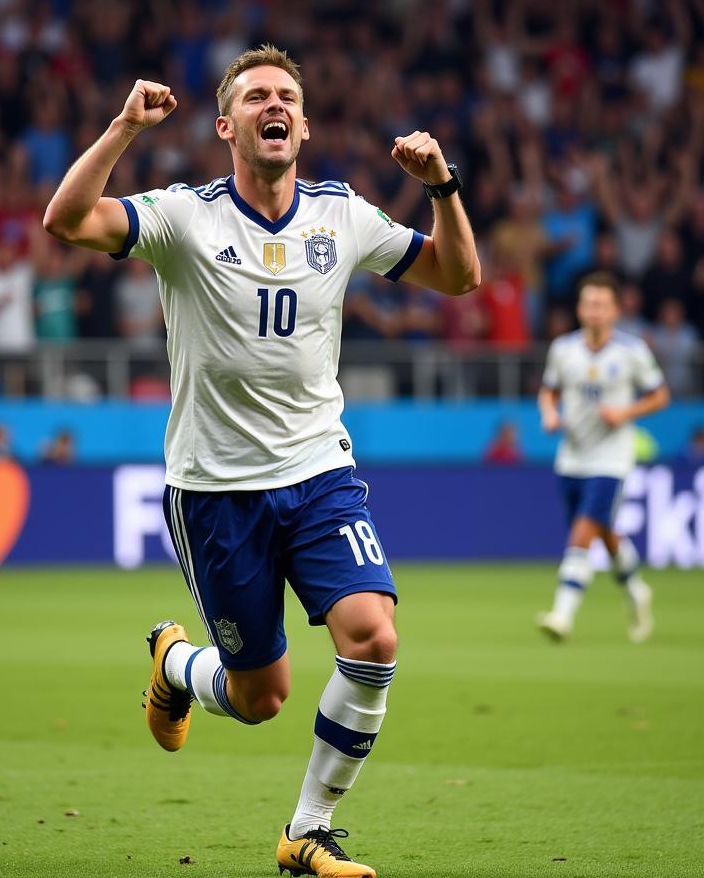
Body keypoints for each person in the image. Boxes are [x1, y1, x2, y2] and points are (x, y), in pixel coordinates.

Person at [43, 45, 480, 878]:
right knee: (260, 698)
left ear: (304, 126)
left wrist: (442, 187)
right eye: (255, 98)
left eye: (286, 97)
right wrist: (124, 126)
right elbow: (66, 220)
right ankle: (175, 664)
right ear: (226, 125)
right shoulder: (183, 217)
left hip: (319, 473)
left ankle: (307, 831)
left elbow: (461, 276)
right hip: (216, 492)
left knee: (374, 637)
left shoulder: (342, 215)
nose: (272, 106)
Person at [536, 272, 670, 643]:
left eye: (601, 305)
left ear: (615, 310)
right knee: (604, 533)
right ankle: (637, 592)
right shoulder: (563, 349)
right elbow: (548, 391)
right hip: (572, 456)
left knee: (582, 534)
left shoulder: (633, 351)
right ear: (579, 309)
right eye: (588, 304)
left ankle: (562, 615)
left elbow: (660, 396)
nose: (594, 311)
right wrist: (549, 414)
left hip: (612, 459)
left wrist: (624, 413)